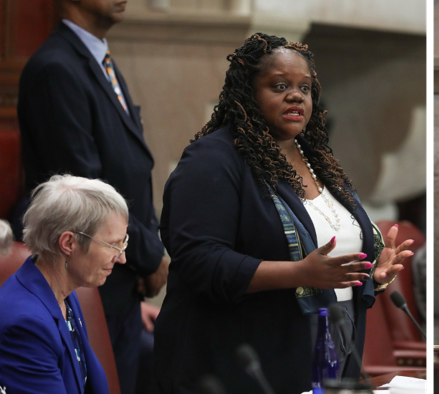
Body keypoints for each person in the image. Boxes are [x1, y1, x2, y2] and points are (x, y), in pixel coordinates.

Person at [154, 33, 412, 394]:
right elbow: (200, 261)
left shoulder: (318, 160)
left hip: (328, 348)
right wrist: (299, 273)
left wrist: (372, 271)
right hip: (242, 362)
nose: (295, 96)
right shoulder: (212, 160)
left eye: (304, 88)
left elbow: (328, 262)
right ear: (247, 91)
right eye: (279, 85)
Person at [14, 1, 169, 392]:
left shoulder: (100, 59)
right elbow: (84, 190)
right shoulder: (56, 68)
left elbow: (131, 170)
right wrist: (149, 256)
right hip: (88, 278)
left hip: (118, 277)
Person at [0, 175, 129, 393]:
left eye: (123, 243)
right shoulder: (25, 324)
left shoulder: (63, 292)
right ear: (69, 243)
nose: (122, 258)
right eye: (112, 245)